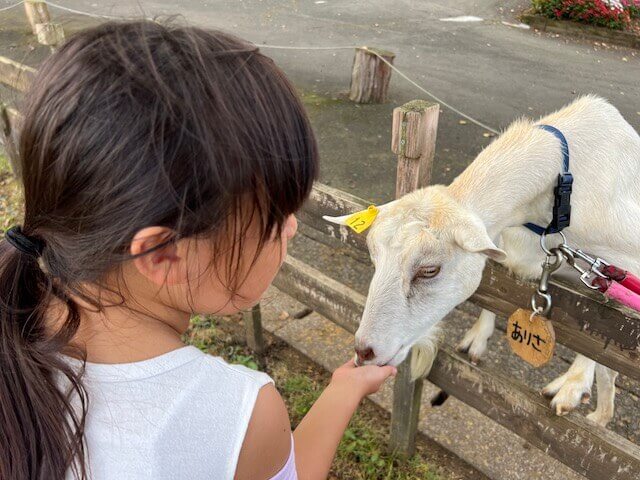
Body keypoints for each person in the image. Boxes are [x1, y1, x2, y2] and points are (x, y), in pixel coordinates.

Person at [0, 20, 397, 480]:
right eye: (275, 217)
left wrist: (342, 389)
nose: (290, 228)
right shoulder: (233, 415)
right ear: (162, 254)